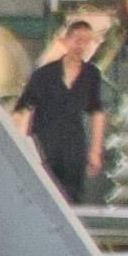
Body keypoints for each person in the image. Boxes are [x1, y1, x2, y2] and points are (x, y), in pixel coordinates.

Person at [15, 13, 107, 210]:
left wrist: (96, 150)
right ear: (65, 41)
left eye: (87, 42)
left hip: (73, 144)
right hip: (44, 142)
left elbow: (96, 112)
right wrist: (22, 145)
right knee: (43, 193)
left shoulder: (91, 75)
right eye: (78, 40)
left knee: (72, 197)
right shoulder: (44, 74)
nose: (82, 46)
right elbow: (25, 109)